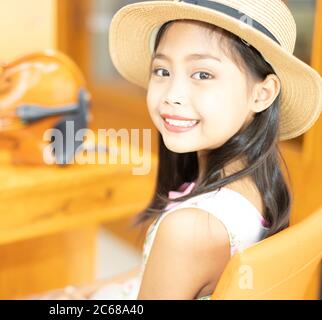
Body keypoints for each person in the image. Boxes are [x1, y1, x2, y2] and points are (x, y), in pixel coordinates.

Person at [31, 0, 322, 300]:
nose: (172, 95)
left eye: (202, 74)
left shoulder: (191, 229)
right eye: (162, 71)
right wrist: (76, 292)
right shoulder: (255, 187)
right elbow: (159, 271)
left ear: (262, 94)